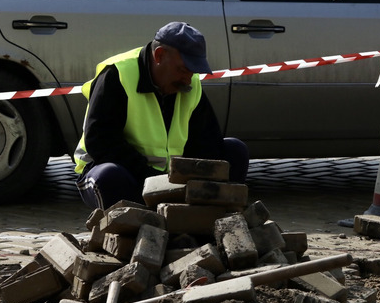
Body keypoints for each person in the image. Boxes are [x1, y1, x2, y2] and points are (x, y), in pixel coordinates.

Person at [73, 21, 249, 210]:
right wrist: (153, 181)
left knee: (234, 150)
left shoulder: (189, 82)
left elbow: (208, 141)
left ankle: (204, 225)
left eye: (192, 72)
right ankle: (136, 229)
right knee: (110, 176)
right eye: (182, 70)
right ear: (159, 55)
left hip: (168, 179)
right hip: (123, 173)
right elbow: (101, 141)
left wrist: (190, 183)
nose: (188, 79)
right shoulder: (117, 74)